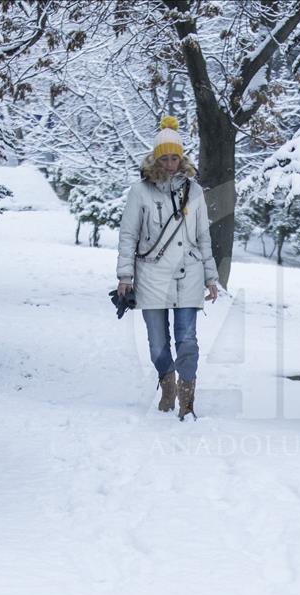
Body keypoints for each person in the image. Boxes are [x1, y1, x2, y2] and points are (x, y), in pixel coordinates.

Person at [116, 116, 219, 420]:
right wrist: (125, 276)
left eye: (176, 157)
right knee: (157, 342)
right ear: (156, 157)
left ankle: (187, 398)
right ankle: (168, 383)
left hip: (189, 273)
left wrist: (211, 277)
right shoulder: (140, 192)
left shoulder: (195, 191)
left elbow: (203, 236)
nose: (171, 163)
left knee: (187, 339)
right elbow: (128, 235)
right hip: (151, 276)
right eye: (166, 157)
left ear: (181, 158)